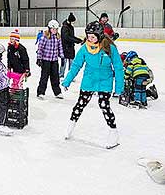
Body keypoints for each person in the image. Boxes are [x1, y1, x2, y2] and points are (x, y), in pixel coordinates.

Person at [62, 21, 123, 149]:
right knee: (80, 104)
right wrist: (67, 81)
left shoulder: (110, 48)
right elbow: (76, 66)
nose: (90, 39)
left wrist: (119, 88)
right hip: (89, 80)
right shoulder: (85, 48)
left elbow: (118, 68)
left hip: (104, 81)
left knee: (104, 105)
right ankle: (70, 126)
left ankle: (114, 133)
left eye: (93, 36)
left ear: (100, 35)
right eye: (88, 36)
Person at [36, 19, 64, 99]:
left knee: (55, 77)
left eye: (56, 29)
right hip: (46, 60)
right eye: (53, 29)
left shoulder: (58, 37)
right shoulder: (44, 37)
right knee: (44, 77)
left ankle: (57, 92)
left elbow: (60, 48)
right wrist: (39, 58)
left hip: (54, 60)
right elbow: (40, 48)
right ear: (49, 28)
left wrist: (62, 57)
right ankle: (41, 92)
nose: (54, 31)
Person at [60, 13, 83, 78]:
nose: (74, 23)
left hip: (71, 47)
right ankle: (61, 75)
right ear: (69, 21)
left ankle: (70, 76)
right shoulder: (64, 27)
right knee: (63, 63)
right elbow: (67, 37)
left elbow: (72, 36)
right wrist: (77, 40)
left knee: (72, 63)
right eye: (73, 22)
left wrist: (78, 40)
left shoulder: (71, 27)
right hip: (65, 48)